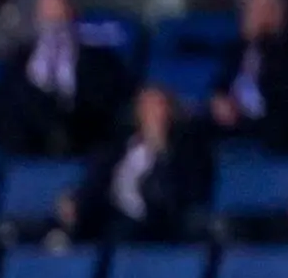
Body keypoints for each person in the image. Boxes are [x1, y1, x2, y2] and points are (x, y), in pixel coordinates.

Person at [59, 85, 204, 243]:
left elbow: (179, 196)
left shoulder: (185, 151)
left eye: (157, 105)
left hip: (151, 223)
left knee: (118, 231)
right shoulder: (117, 148)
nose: (150, 112)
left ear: (170, 111)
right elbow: (95, 183)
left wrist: (160, 149)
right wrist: (76, 200)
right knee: (45, 229)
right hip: (106, 214)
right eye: (145, 105)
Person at [0, 0, 125, 158]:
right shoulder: (19, 62)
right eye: (47, 18)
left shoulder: (100, 61)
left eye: (59, 18)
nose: (54, 26)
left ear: (73, 16)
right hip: (29, 149)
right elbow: (6, 108)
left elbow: (105, 108)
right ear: (37, 19)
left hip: (82, 140)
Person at [208, 0, 288, 155]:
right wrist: (219, 100)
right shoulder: (236, 49)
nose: (257, 14)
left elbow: (285, 93)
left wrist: (263, 42)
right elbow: (220, 83)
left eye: (265, 8)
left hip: (271, 120)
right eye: (252, 8)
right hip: (234, 120)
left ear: (280, 12)